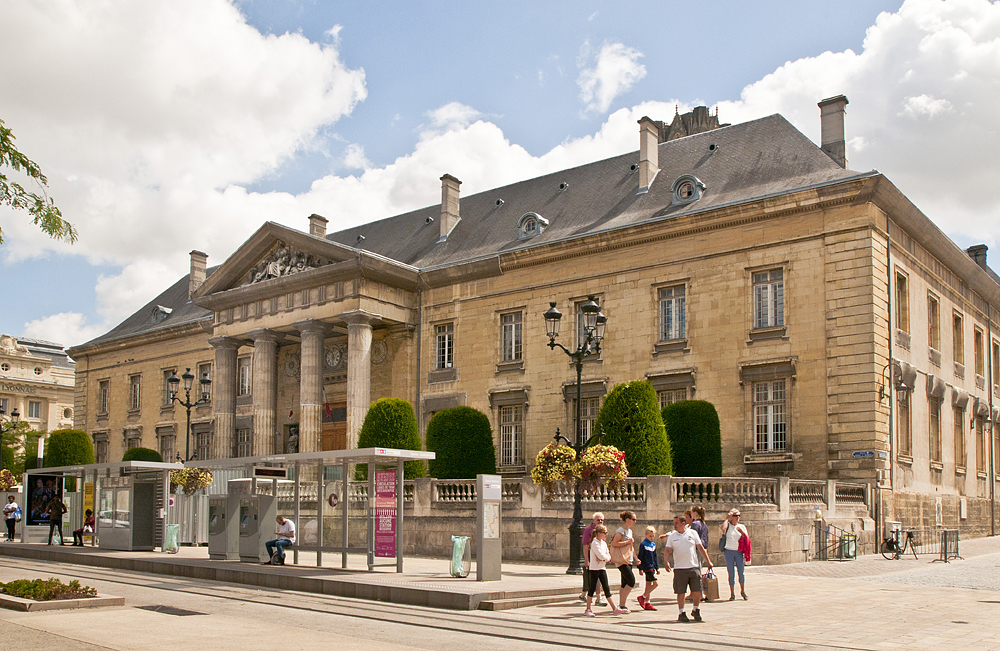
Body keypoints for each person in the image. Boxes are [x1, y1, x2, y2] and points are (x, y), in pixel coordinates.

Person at [663, 513, 714, 622]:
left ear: (683, 523)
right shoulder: (672, 536)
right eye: (674, 523)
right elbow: (667, 550)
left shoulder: (693, 533)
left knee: (697, 590)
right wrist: (666, 561)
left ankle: (696, 609)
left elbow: (700, 548)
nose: (674, 525)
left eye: (677, 523)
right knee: (681, 591)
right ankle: (681, 612)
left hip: (693, 566)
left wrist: (708, 561)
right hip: (680, 568)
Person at [583, 524, 615, 617]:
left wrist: (605, 558)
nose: (606, 534)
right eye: (604, 532)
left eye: (606, 532)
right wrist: (605, 558)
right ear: (598, 533)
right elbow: (600, 555)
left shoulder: (603, 543)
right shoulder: (594, 543)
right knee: (592, 588)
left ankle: (614, 608)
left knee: (606, 587)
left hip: (602, 567)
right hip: (594, 568)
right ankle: (588, 609)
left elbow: (607, 554)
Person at [610, 510, 637, 615]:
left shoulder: (629, 531)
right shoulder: (620, 531)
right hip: (621, 560)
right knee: (631, 581)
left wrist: (636, 558)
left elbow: (631, 547)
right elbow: (614, 543)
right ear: (628, 520)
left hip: (628, 559)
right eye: (633, 519)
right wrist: (627, 542)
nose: (635, 521)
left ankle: (622, 604)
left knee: (624, 583)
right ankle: (622, 604)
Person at [720, 508, 749, 600]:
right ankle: (732, 593)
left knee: (741, 572)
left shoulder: (742, 527)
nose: (738, 518)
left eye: (739, 516)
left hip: (739, 551)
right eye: (735, 516)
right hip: (729, 551)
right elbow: (723, 529)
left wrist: (742, 533)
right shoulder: (728, 526)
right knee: (731, 572)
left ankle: (742, 591)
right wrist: (726, 518)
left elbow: (747, 539)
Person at [580, 512, 606, 606]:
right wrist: (586, 560)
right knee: (596, 579)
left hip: (599, 560)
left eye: (602, 520)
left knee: (594, 579)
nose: (600, 521)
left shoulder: (602, 531)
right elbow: (585, 546)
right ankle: (598, 598)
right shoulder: (588, 530)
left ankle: (584, 594)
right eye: (598, 520)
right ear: (593, 520)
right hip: (591, 559)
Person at [636, 525, 659, 611]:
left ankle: (647, 602)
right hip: (647, 567)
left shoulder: (653, 545)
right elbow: (640, 556)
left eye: (653, 536)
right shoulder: (643, 544)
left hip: (652, 566)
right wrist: (640, 568)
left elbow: (655, 557)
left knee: (648, 585)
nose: (651, 538)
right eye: (650, 536)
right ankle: (643, 597)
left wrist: (657, 567)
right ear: (646, 534)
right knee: (655, 584)